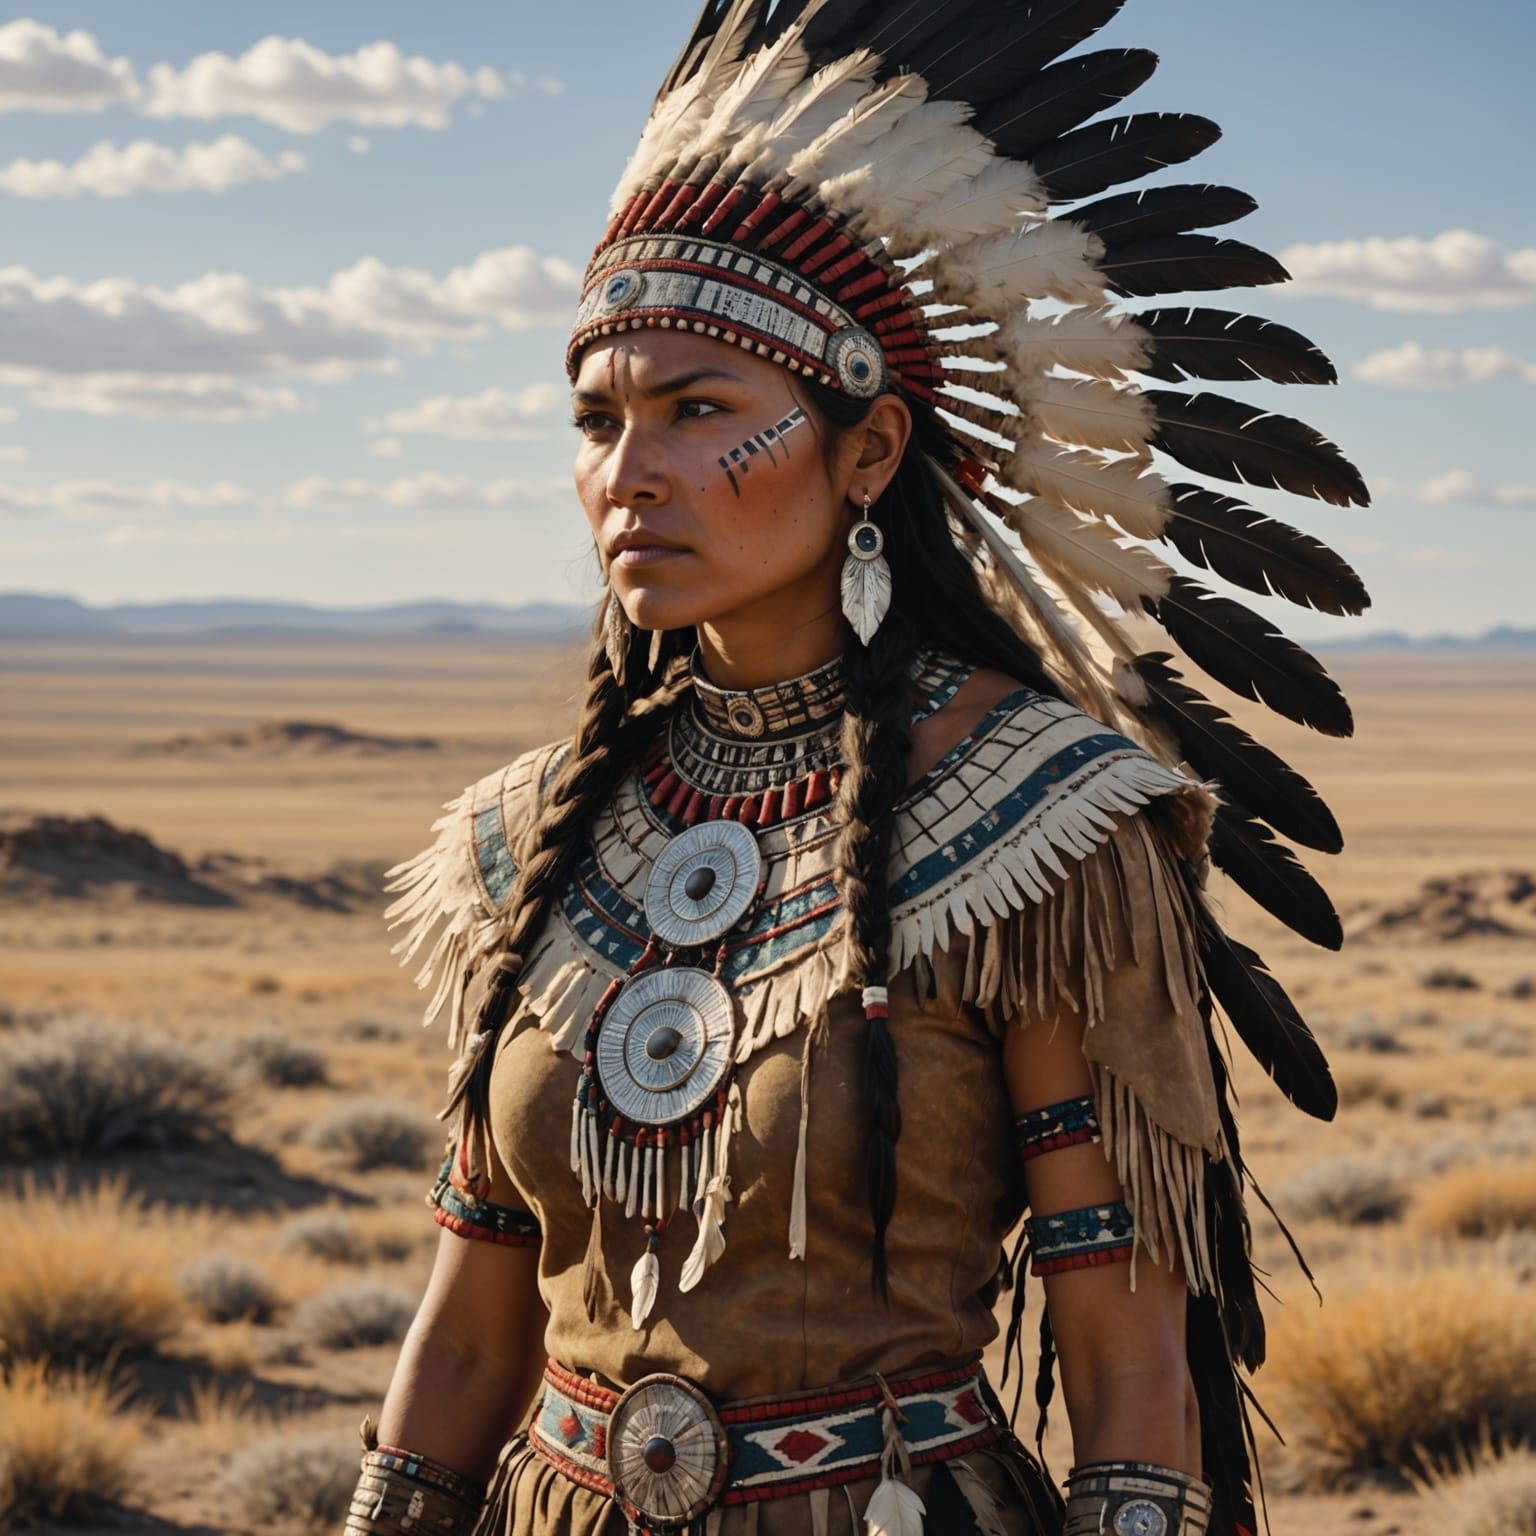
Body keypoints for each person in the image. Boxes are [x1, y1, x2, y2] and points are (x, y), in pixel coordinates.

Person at [352, 4, 1370, 1534]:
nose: (631, 473)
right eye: (598, 419)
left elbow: (1127, 1355)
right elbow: (472, 1326)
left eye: (702, 413)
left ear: (870, 453)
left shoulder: (1043, 832)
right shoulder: (529, 840)